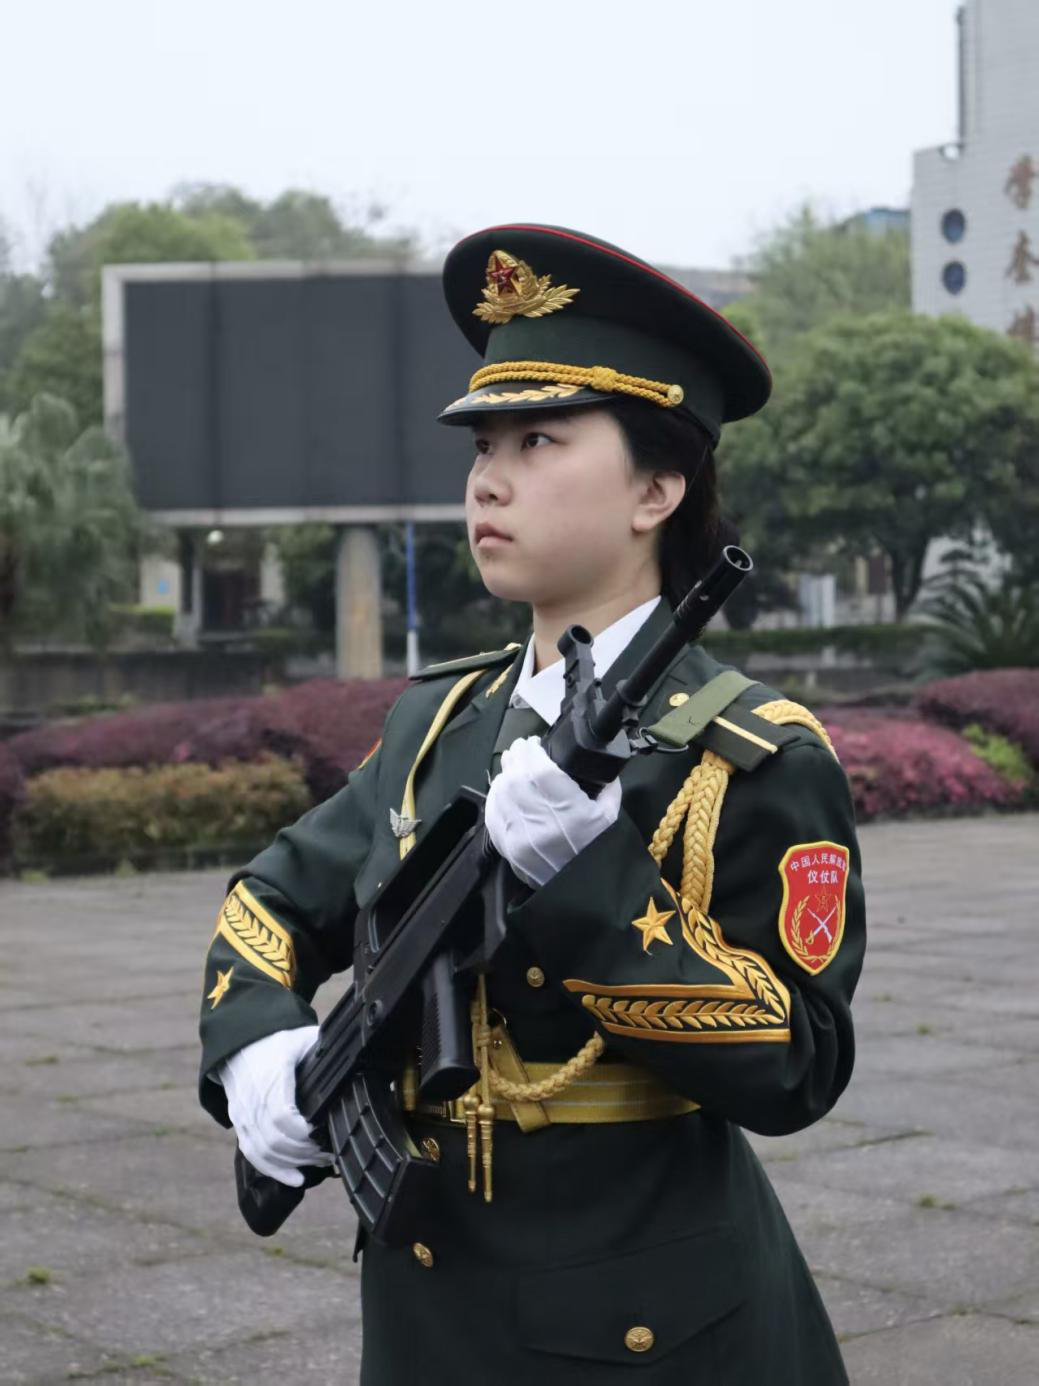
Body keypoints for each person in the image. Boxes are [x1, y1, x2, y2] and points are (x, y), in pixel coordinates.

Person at [198, 223, 865, 1385]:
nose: (487, 479)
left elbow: (798, 1065)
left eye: (539, 439)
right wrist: (258, 1047)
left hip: (650, 1328)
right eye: (483, 445)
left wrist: (591, 881)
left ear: (656, 488)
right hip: (425, 1310)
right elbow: (273, 899)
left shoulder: (749, 756)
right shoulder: (437, 724)